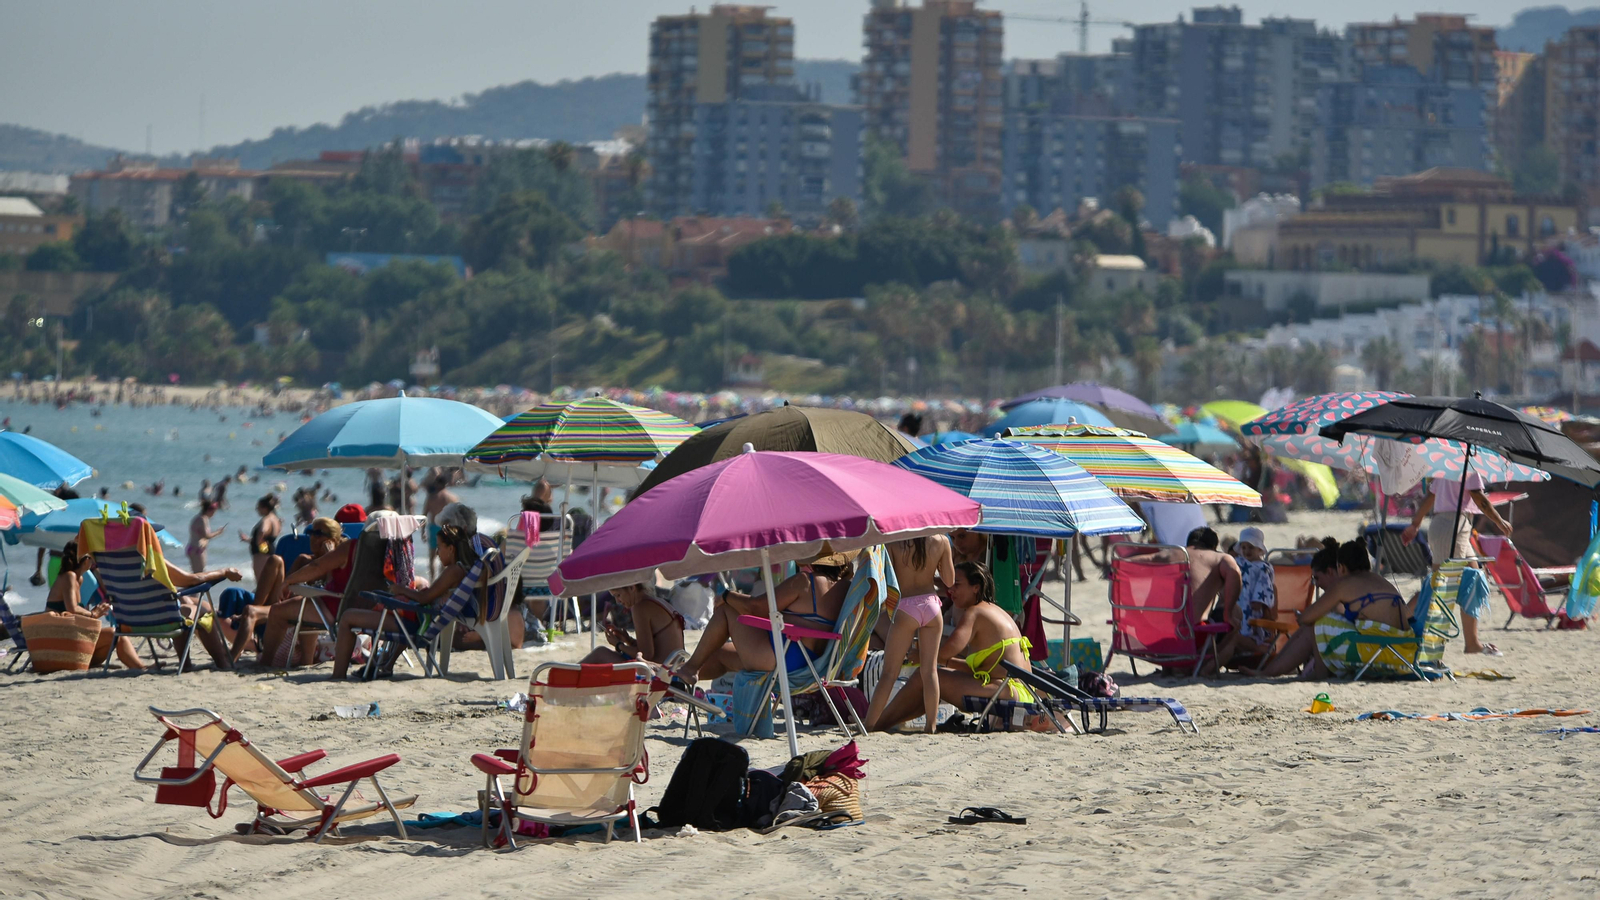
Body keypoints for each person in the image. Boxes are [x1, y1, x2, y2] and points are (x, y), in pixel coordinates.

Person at [870, 561, 1041, 731]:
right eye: (950, 585)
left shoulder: (975, 612)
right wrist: (936, 661)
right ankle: (884, 722)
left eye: (957, 585)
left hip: (1006, 690)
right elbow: (981, 668)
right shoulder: (996, 611)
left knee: (924, 677)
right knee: (931, 679)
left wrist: (921, 655)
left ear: (976, 587)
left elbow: (947, 652)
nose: (950, 590)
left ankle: (878, 723)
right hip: (1021, 692)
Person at [328, 508, 482, 680]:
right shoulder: (460, 570)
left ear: (451, 549)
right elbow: (429, 597)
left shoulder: (453, 571)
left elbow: (425, 598)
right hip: (421, 620)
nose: (437, 553)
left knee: (347, 617)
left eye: (439, 548)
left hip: (415, 622)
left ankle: (338, 675)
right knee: (372, 608)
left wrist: (402, 590)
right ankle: (379, 664)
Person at [675, 553, 852, 684]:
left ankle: (689, 669)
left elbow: (757, 607)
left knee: (726, 610)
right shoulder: (846, 588)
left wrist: (728, 596)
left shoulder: (805, 582)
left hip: (786, 658)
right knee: (721, 653)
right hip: (815, 664)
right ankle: (676, 681)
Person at [1255, 538, 1412, 678]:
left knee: (1317, 623)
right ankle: (1272, 670)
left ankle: (1296, 673)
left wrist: (1304, 616)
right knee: (1323, 623)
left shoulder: (1346, 584)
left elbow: (1306, 618)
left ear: (1341, 567)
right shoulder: (1381, 581)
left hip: (1380, 653)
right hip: (1404, 652)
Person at [1401, 472, 1511, 655]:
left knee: (1474, 581)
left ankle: (1472, 643)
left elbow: (1431, 495)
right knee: (1440, 588)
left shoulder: (1448, 463)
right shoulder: (1469, 466)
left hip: (1453, 527)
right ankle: (1402, 620)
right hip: (1453, 526)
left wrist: (1415, 524)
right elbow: (1478, 497)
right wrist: (1499, 521)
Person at [866, 535, 954, 733]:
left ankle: (869, 724)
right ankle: (931, 726)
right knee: (930, 670)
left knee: (889, 672)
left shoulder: (894, 541)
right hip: (932, 605)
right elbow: (949, 581)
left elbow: (886, 579)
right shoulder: (941, 540)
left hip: (906, 606)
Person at [45, 541, 144, 670]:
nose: (93, 562)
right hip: (60, 640)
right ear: (85, 560)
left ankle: (95, 663)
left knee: (112, 639)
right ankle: (140, 668)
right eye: (92, 558)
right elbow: (72, 608)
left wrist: (93, 614)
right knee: (115, 634)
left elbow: (74, 614)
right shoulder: (69, 576)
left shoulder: (78, 579)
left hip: (69, 636)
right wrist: (93, 614)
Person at [581, 577, 685, 665]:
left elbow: (646, 655)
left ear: (631, 588)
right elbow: (655, 647)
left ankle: (567, 678)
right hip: (674, 674)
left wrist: (618, 645)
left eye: (618, 595)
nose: (617, 601)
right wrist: (628, 640)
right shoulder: (656, 602)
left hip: (660, 676)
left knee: (600, 653)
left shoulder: (640, 607)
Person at [1212, 526, 1274, 671]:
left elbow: (1265, 585)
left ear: (1259, 549)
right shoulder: (1238, 562)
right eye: (1244, 547)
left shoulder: (1264, 567)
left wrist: (1259, 601)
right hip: (1238, 601)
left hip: (1252, 606)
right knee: (1235, 623)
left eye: (1251, 547)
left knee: (1246, 626)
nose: (1247, 551)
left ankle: (1254, 647)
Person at [422, 470, 459, 577]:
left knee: (432, 557)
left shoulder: (431, 498)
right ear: (446, 484)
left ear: (437, 484)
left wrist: (422, 532)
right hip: (446, 529)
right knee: (445, 557)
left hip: (433, 528)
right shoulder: (453, 498)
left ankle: (432, 581)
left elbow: (424, 515)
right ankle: (442, 582)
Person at [186, 499, 225, 572]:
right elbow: (206, 535)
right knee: (199, 574)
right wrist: (218, 532)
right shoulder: (203, 519)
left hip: (193, 547)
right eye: (214, 511)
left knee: (197, 573)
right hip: (197, 549)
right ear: (210, 510)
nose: (214, 514)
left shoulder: (198, 518)